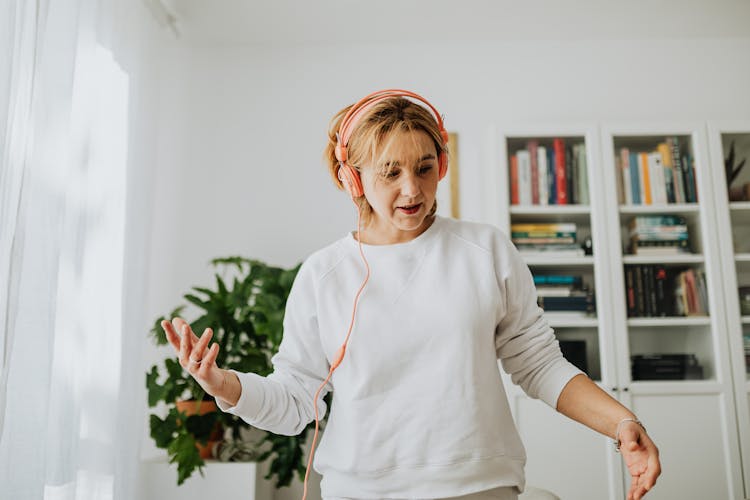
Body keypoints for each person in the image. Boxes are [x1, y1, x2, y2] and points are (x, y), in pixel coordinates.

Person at [160, 89, 661, 500]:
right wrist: (224, 385)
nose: (412, 190)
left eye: (424, 168)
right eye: (390, 172)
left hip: (481, 486)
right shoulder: (323, 275)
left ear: (441, 164)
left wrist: (621, 422)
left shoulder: (483, 250)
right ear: (350, 178)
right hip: (360, 491)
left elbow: (539, 365)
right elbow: (295, 402)